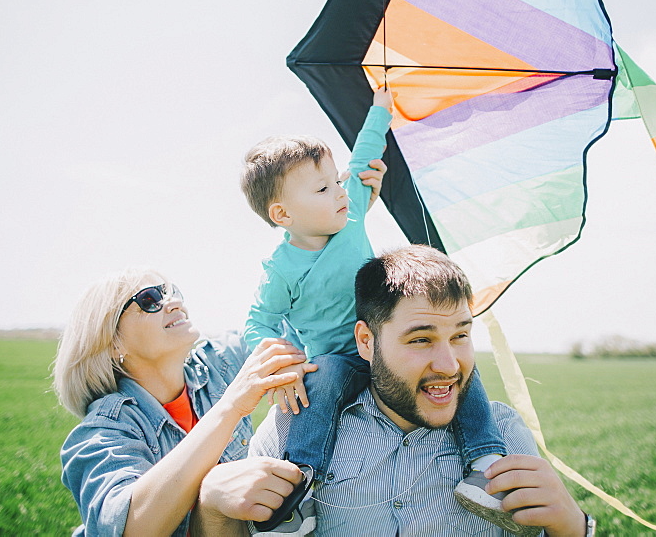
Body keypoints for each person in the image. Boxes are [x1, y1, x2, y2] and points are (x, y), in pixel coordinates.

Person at [239, 92, 509, 533]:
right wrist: (283, 363)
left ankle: (485, 462)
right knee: (317, 382)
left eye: (337, 181)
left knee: (460, 369)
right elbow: (259, 321)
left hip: (389, 347)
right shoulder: (279, 271)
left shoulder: (350, 215)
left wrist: (381, 107)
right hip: (340, 358)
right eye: (324, 188)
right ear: (282, 213)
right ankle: (299, 487)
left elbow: (364, 153)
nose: (341, 191)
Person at [244, 245, 594, 537]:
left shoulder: (503, 435)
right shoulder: (293, 429)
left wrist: (572, 526)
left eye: (460, 336)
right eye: (422, 339)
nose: (449, 365)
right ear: (367, 341)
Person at [52, 267, 318, 536]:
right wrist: (231, 405)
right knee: (214, 486)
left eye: (172, 292)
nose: (174, 302)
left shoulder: (219, 363)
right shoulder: (103, 432)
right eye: (150, 299)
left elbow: (307, 326)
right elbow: (131, 529)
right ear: (113, 343)